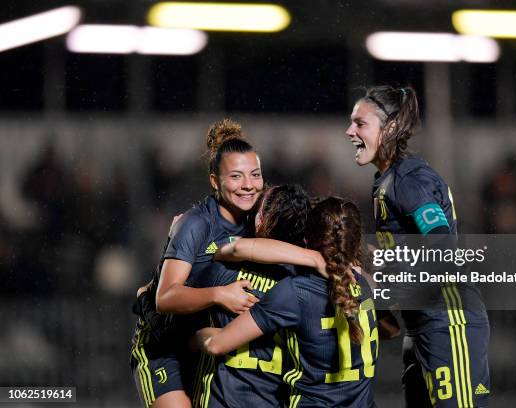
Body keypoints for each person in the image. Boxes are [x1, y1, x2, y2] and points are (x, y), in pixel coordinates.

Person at [345, 85, 490, 407]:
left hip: (448, 323)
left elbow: (442, 250)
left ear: (391, 127)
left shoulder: (407, 179)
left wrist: (382, 290)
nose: (349, 131)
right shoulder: (387, 179)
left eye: (360, 123)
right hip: (423, 326)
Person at [198, 197, 384, 407]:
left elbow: (216, 345)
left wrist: (194, 337)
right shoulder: (366, 285)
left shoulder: (296, 292)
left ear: (306, 239)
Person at [130, 119, 264, 408]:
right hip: (165, 345)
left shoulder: (261, 219)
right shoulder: (195, 223)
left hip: (209, 347)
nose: (248, 186)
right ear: (215, 181)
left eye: (255, 175)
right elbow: (165, 297)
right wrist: (220, 294)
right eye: (237, 177)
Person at [186, 184, 312, 408]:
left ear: (261, 220)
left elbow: (175, 313)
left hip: (219, 400)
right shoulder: (305, 285)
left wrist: (196, 338)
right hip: (272, 401)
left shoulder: (219, 269)